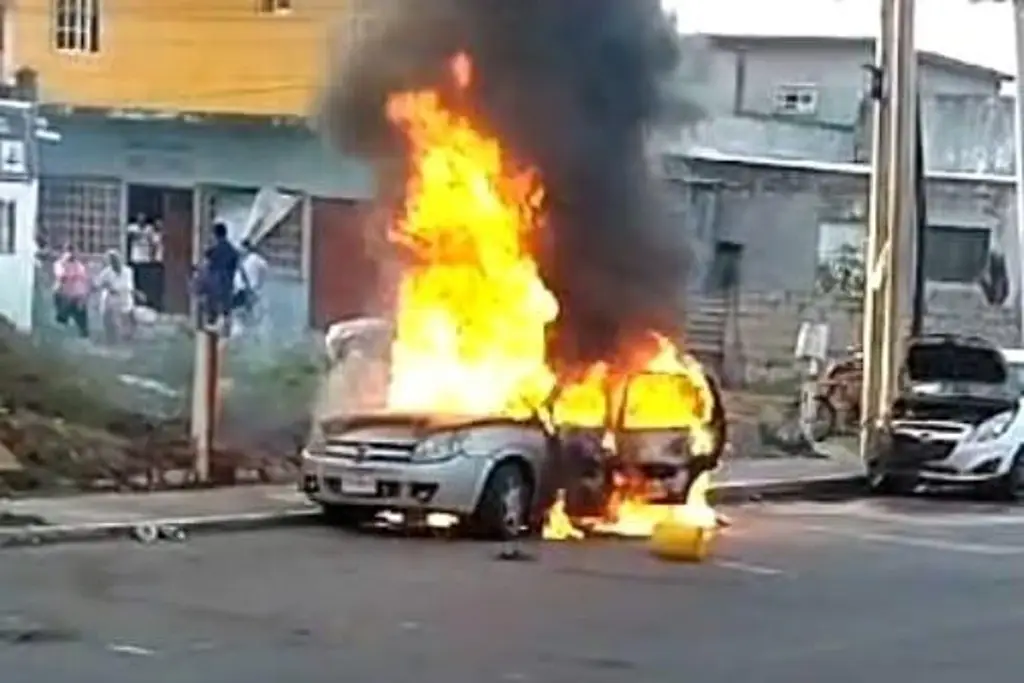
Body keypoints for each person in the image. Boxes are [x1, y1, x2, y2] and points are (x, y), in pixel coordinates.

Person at [200, 221, 239, 333]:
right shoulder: (232, 249)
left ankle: (210, 335)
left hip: (214, 284)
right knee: (226, 312)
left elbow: (207, 264)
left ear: (215, 234)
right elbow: (235, 264)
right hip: (227, 284)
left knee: (211, 313)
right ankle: (227, 333)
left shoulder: (213, 249)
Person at [96, 249, 136, 344]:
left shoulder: (128, 271)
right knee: (109, 322)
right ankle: (111, 341)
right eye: (112, 260)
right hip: (111, 300)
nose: (114, 262)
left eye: (116, 259)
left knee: (126, 322)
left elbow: (129, 286)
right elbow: (97, 283)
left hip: (124, 299)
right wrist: (106, 285)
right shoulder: (106, 272)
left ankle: (125, 339)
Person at [53, 244, 90, 338]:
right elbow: (61, 277)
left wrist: (84, 296)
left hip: (78, 296)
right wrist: (65, 263)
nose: (72, 254)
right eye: (70, 251)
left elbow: (83, 280)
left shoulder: (79, 265)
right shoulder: (59, 264)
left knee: (82, 323)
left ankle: (82, 339)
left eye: (74, 251)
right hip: (64, 296)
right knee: (62, 320)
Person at [232, 239, 269, 336]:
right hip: (254, 293)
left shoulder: (246, 260)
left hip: (243, 292)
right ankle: (250, 334)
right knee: (251, 317)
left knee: (239, 315)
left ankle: (239, 333)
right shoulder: (260, 261)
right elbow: (265, 274)